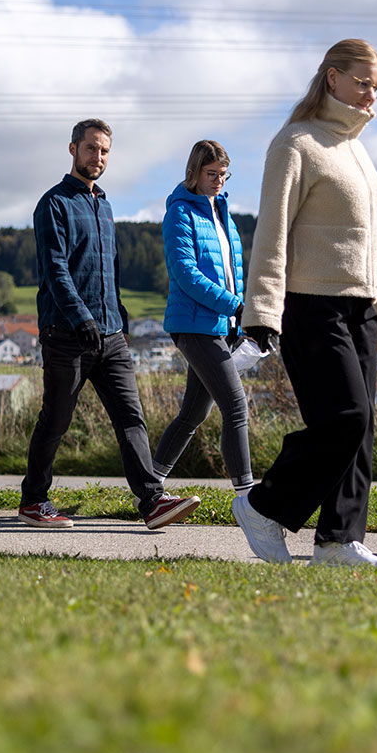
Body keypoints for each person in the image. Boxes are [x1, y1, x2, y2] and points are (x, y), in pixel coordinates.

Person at [235, 39, 377, 568]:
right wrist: (263, 314)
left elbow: (373, 238)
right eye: (362, 82)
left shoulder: (357, 151)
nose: (370, 95)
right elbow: (270, 234)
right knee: (346, 418)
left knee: (361, 429)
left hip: (360, 309)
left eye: (376, 87)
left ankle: (339, 542)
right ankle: (262, 506)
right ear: (332, 78)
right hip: (309, 306)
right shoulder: (295, 143)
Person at [19, 118, 200, 531]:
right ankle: (33, 500)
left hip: (111, 335)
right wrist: (81, 317)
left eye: (104, 151)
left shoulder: (105, 205)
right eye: (91, 149)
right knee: (56, 418)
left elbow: (109, 269)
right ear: (73, 149)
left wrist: (120, 315)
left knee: (131, 417)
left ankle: (152, 501)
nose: (97, 157)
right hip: (66, 335)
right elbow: (55, 270)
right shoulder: (54, 204)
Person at [152, 140, 254, 497]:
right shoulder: (180, 213)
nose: (219, 181)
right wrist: (235, 306)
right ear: (193, 172)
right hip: (194, 325)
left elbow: (233, 272)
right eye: (212, 174)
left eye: (224, 175)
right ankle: (247, 498)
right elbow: (185, 273)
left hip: (221, 326)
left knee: (193, 415)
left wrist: (240, 317)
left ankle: (147, 486)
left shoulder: (223, 213)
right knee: (236, 407)